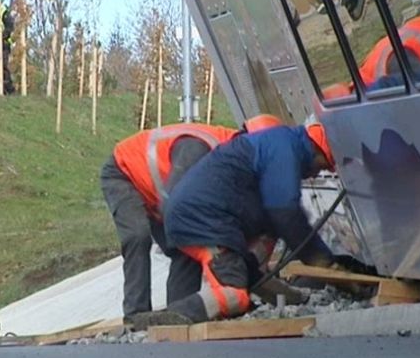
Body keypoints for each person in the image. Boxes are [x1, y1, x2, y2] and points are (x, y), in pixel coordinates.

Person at [131, 122, 336, 329]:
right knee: (233, 294)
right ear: (316, 149)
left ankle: (171, 320)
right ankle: (164, 320)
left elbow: (254, 273)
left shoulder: (277, 144)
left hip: (202, 216)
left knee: (242, 272)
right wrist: (319, 258)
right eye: (323, 165)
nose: (317, 174)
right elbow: (285, 213)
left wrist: (294, 299)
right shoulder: (284, 149)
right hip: (201, 220)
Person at [100, 115, 282, 322]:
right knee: (138, 236)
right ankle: (136, 315)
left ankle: (176, 316)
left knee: (185, 247)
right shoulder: (198, 149)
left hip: (161, 192)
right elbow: (174, 205)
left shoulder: (232, 164)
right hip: (125, 173)